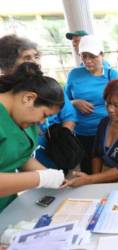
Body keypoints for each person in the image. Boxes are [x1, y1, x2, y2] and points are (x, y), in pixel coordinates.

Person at [0, 34, 77, 170]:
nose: (34, 63)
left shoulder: (47, 88)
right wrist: (39, 179)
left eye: (36, 57)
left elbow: (22, 157)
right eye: (27, 58)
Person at [0, 62, 65, 213]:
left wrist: (52, 176)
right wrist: (41, 178)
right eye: (44, 115)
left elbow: (20, 156)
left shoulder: (21, 118)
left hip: (7, 207)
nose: (41, 123)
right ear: (29, 98)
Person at [65, 35, 118, 174]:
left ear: (102, 55)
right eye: (84, 57)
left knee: (112, 170)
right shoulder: (74, 74)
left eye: (92, 56)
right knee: (89, 171)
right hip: (83, 133)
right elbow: (63, 101)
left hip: (109, 132)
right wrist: (75, 102)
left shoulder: (112, 75)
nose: (87, 61)